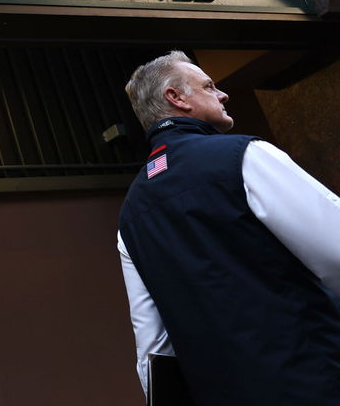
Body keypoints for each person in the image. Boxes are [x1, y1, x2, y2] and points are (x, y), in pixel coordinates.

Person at [118, 50, 340, 405]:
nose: (222, 94)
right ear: (176, 98)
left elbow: (153, 346)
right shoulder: (245, 155)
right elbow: (336, 250)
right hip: (313, 379)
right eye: (209, 86)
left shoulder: (130, 215)